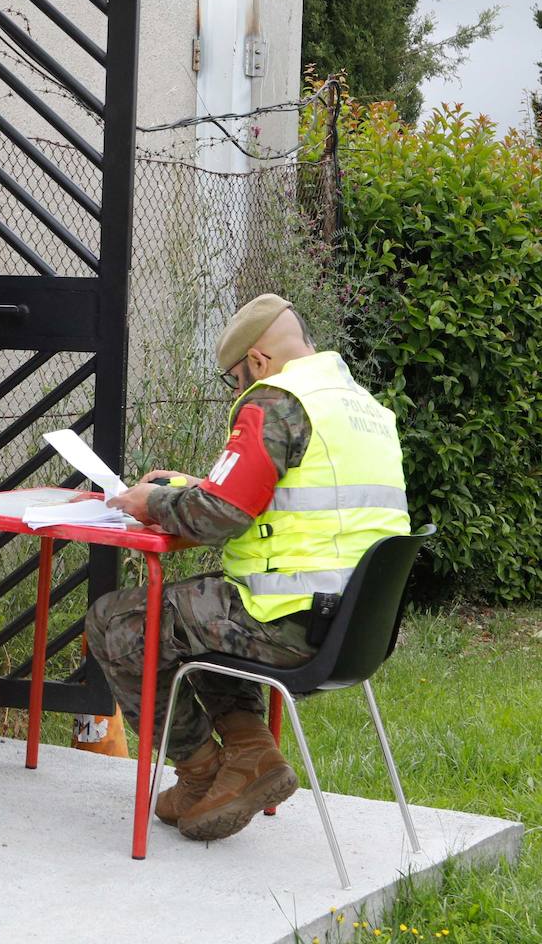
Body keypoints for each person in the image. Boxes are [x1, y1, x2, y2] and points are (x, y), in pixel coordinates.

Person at [87, 293, 409, 841]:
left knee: (114, 623)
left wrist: (151, 503)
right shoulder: (364, 409)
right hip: (351, 630)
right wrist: (194, 487)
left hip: (283, 622)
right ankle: (251, 752)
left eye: (235, 379)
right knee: (200, 613)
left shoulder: (276, 403)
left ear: (257, 362)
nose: (238, 392)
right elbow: (289, 500)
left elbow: (222, 516)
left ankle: (198, 773)